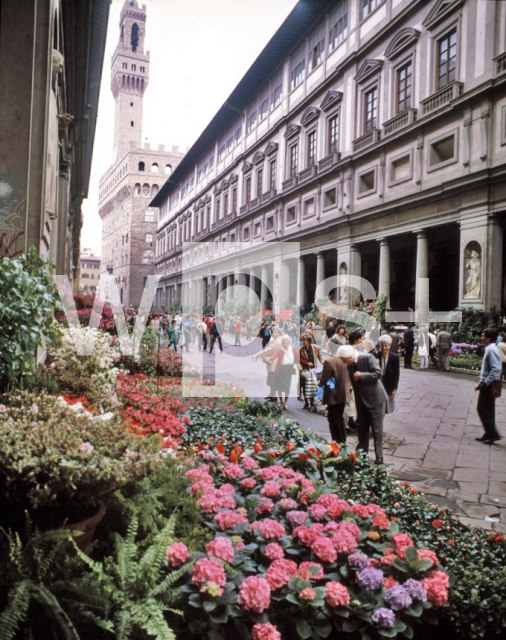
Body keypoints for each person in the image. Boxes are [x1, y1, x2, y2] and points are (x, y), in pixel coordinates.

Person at [345, 331, 388, 464]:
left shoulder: (367, 357)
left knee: (377, 429)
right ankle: (362, 454)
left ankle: (379, 456)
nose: (345, 363)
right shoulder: (349, 364)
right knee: (362, 429)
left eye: (345, 360)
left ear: (351, 356)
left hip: (375, 399)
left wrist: (362, 375)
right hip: (361, 400)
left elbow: (378, 374)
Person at [475, 328, 502, 445]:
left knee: (483, 409)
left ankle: (492, 434)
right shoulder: (491, 349)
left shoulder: (491, 350)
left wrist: (485, 383)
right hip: (487, 383)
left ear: (488, 338)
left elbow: (496, 369)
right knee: (487, 409)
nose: (481, 337)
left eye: (483, 335)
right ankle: (489, 433)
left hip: (489, 385)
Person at [319, 345, 351, 443]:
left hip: (333, 394)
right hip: (344, 392)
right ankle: (342, 439)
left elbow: (324, 378)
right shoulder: (345, 360)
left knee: (333, 418)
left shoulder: (329, 361)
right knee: (339, 417)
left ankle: (337, 441)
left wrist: (319, 382)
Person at [267, 335, 299, 409]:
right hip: (280, 370)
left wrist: (300, 365)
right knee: (279, 387)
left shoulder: (293, 350)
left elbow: (298, 358)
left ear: (289, 343)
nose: (284, 344)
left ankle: (285, 402)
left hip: (288, 371)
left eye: (285, 343)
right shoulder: (280, 350)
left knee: (287, 387)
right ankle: (281, 402)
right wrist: (269, 358)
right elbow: (275, 355)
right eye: (283, 343)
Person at [255, 326, 283, 401]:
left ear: (279, 333)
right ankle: (271, 393)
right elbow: (268, 349)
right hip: (272, 360)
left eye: (275, 332)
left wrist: (259, 355)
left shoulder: (278, 341)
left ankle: (274, 395)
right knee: (270, 378)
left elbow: (269, 350)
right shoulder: (276, 339)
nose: (274, 334)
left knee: (273, 379)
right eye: (273, 332)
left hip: (275, 361)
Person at [374, 335, 400, 414]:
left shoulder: (394, 357)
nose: (384, 348)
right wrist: (375, 364)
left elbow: (396, 374)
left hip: (388, 386)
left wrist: (394, 389)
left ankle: (380, 424)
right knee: (377, 407)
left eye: (386, 346)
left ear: (389, 346)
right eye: (382, 346)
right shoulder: (376, 355)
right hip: (377, 385)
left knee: (385, 408)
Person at [299, 332, 324, 411]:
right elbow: (297, 359)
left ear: (309, 341)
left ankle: (312, 402)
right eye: (302, 340)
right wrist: (300, 367)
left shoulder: (315, 348)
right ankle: (306, 402)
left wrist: (323, 362)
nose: (303, 342)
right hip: (304, 370)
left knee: (312, 386)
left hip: (313, 370)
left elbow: (320, 356)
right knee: (304, 386)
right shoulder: (300, 349)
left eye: (304, 341)